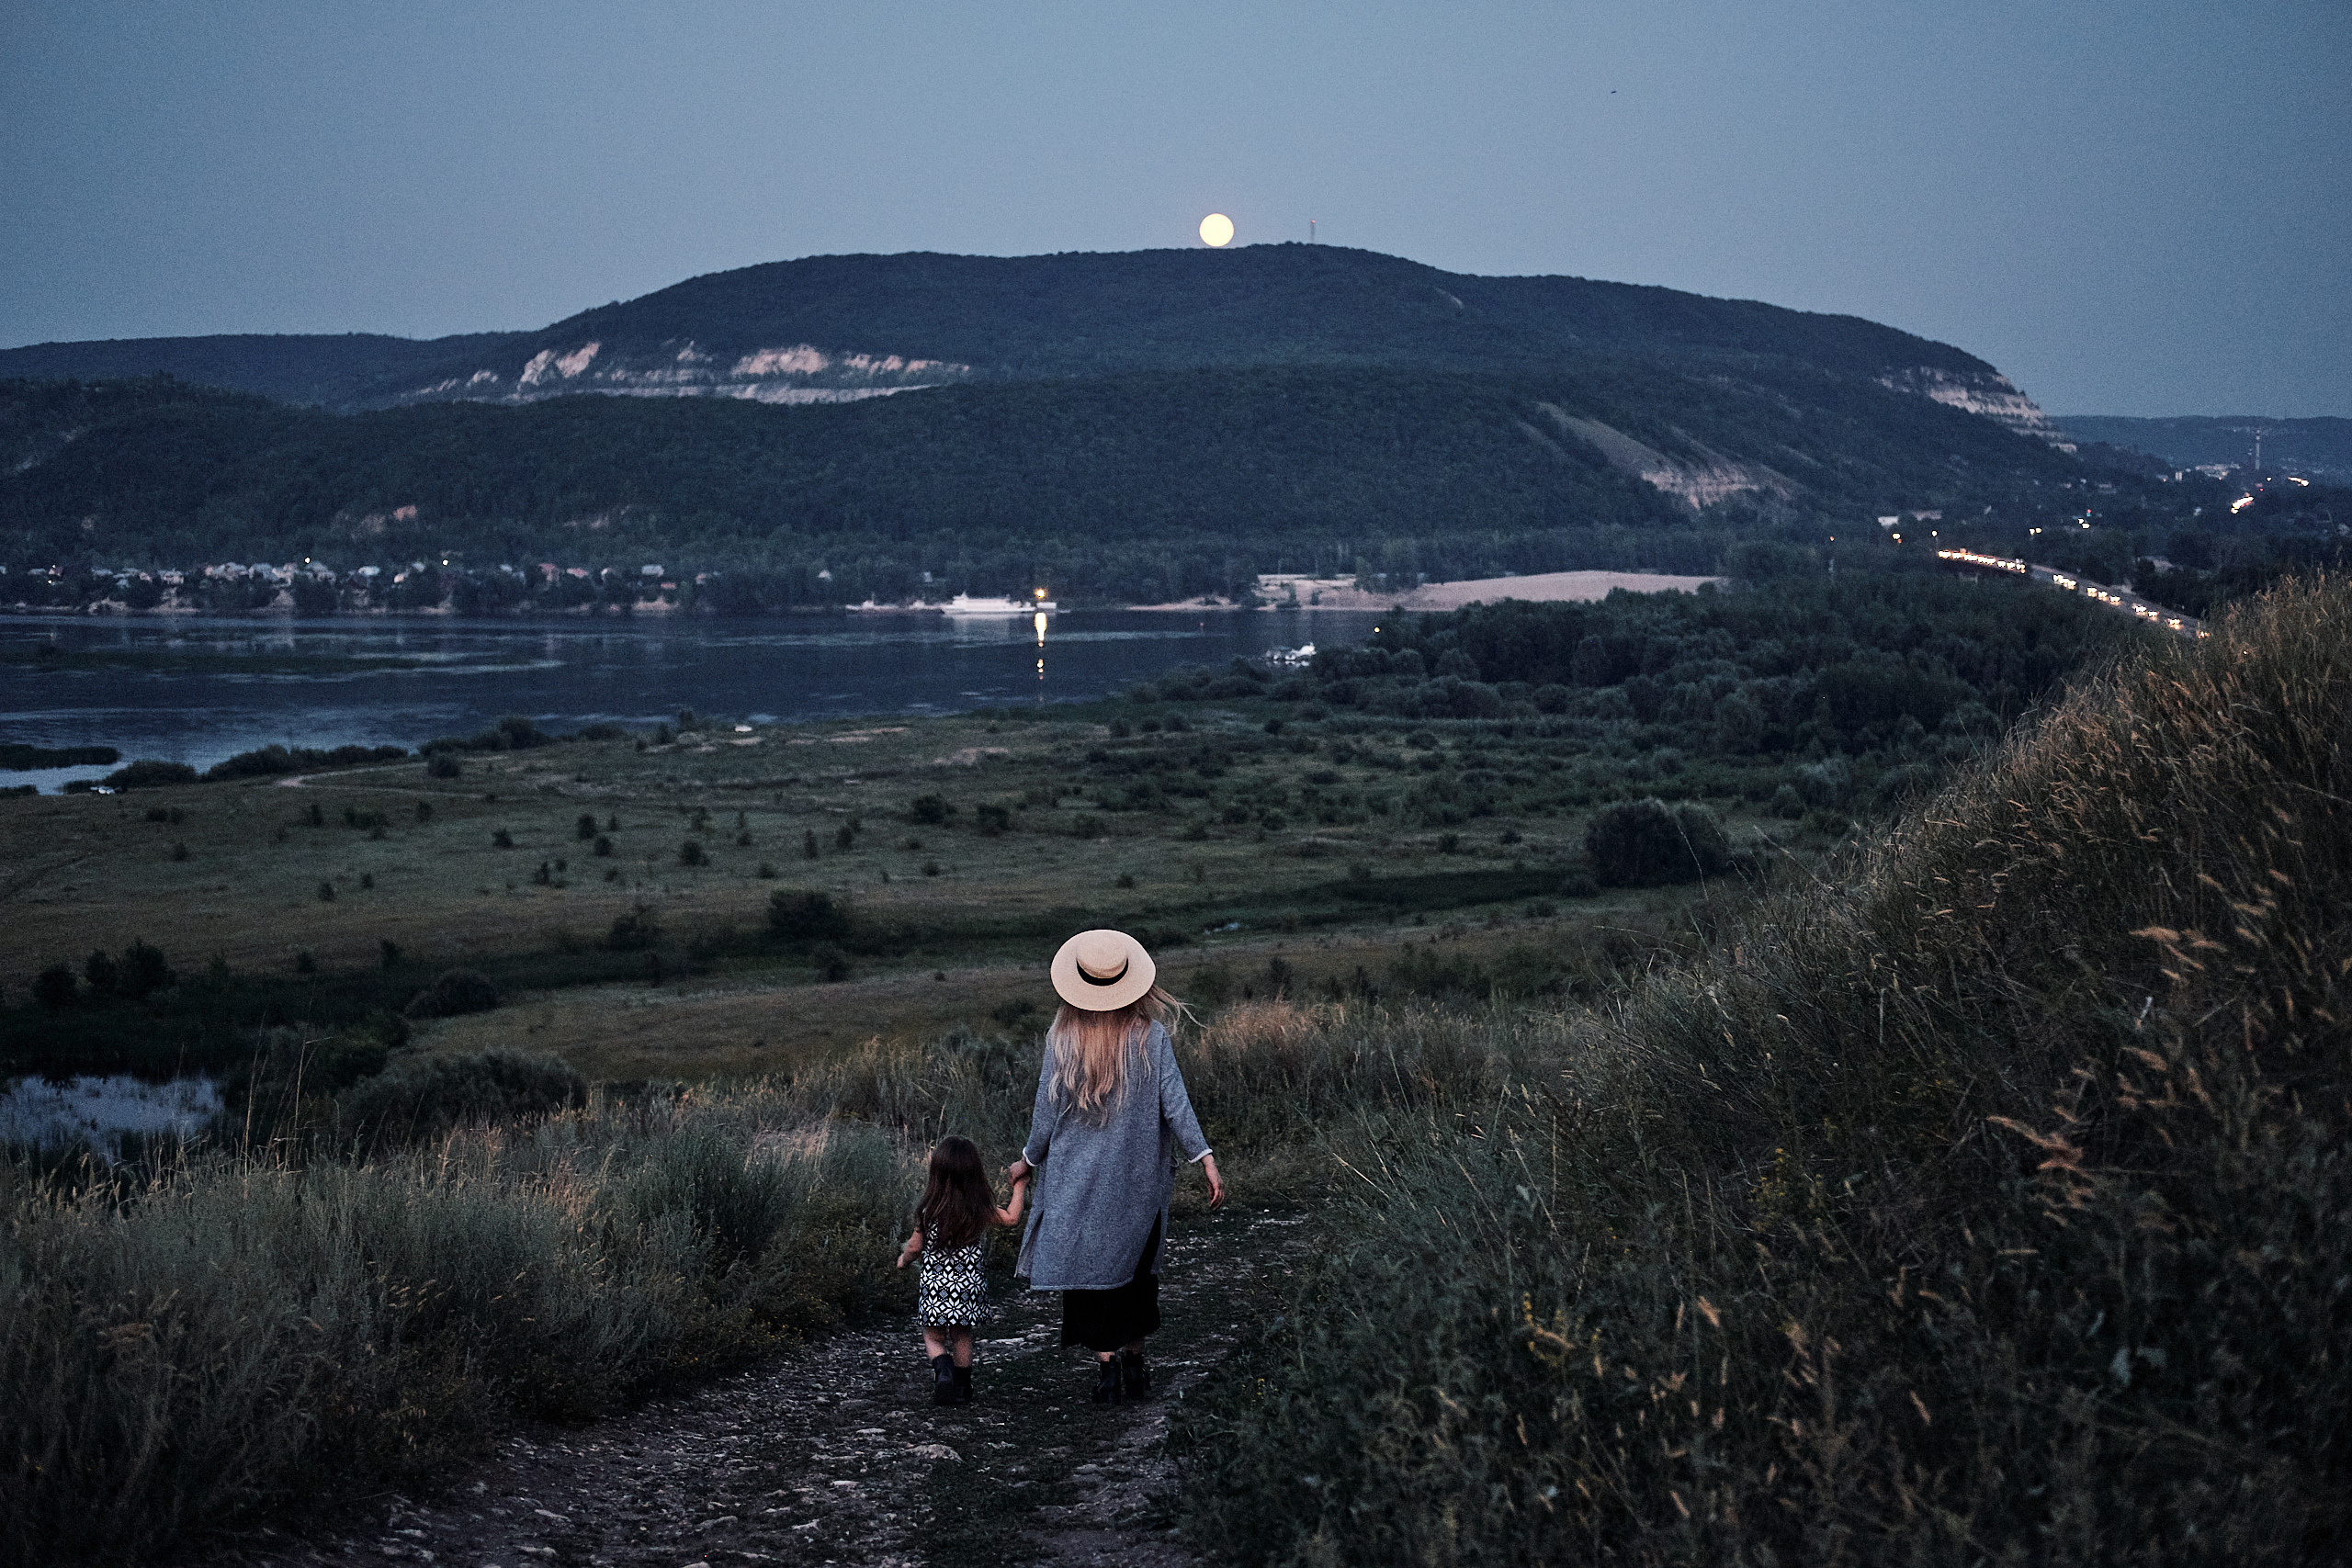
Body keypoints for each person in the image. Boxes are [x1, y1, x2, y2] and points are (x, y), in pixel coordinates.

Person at [1006, 928, 1226, 1404]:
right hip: (1136, 1184)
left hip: (1074, 1184)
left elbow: (1044, 1117)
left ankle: (1106, 1375)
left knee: (1092, 1280)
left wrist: (1026, 1162)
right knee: (1135, 1275)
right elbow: (1176, 1104)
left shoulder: (1061, 1038)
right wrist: (1203, 1157)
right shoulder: (1152, 1036)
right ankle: (1135, 1366)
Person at [897, 1134, 1029, 1406]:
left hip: (935, 1287)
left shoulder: (927, 1210)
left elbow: (914, 1246)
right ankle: (963, 1387)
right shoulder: (976, 1208)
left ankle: (943, 1370)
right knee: (962, 1335)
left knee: (933, 1336)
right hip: (968, 1287)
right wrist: (1020, 1186)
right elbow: (1012, 1218)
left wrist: (903, 1260)